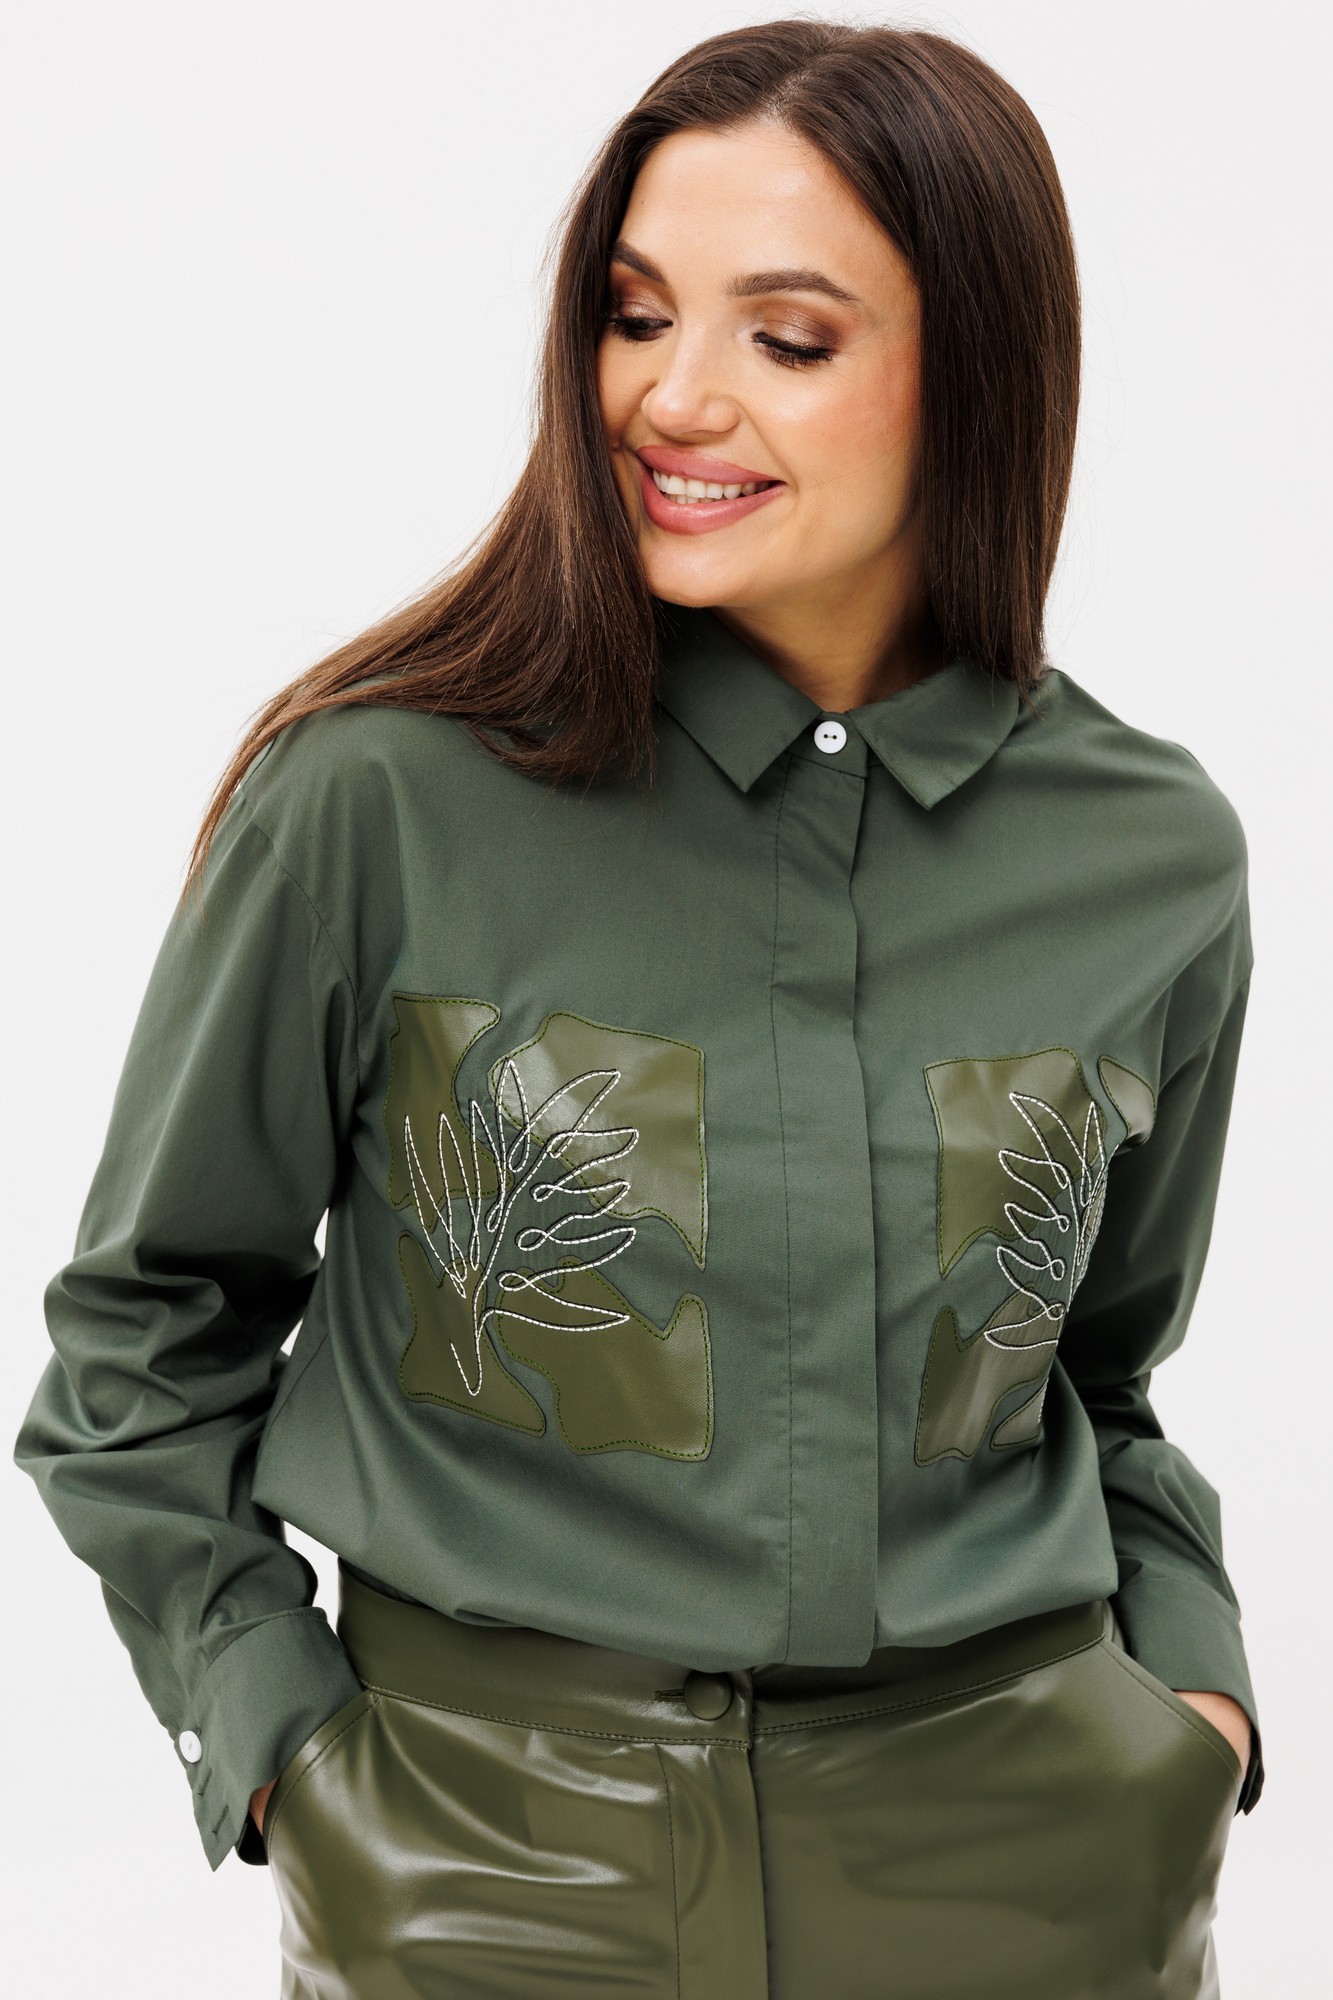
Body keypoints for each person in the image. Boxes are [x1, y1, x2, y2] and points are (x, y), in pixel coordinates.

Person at [14, 18, 1261, 1999]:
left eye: (788, 336)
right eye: (633, 313)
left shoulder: (1147, 855)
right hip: (481, 1865)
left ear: (976, 368)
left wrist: (1192, 1706)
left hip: (1036, 1867)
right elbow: (142, 1344)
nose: (671, 397)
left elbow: (1095, 1376)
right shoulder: (378, 805)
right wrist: (283, 1754)